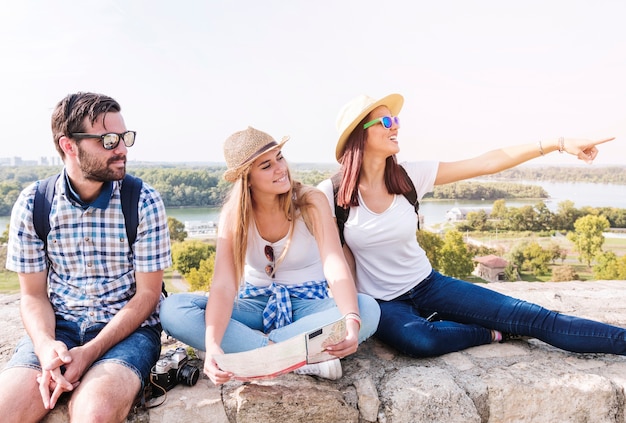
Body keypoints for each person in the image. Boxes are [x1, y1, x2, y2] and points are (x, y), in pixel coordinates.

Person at [317, 92, 626, 358]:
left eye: (396, 120)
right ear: (361, 135)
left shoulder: (410, 176)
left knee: (536, 318)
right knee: (421, 339)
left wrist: (558, 143)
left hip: (429, 286)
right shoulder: (330, 194)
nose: (395, 126)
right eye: (386, 122)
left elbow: (487, 162)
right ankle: (491, 333)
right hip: (382, 303)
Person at [159, 126, 380, 385]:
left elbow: (334, 264)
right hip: (254, 303)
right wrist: (213, 342)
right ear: (247, 179)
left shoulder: (311, 201)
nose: (280, 168)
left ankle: (255, 352)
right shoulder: (234, 214)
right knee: (173, 309)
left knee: (367, 309)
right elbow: (223, 285)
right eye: (266, 165)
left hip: (308, 304)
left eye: (280, 157)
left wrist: (351, 320)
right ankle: (294, 356)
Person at [0, 92, 171, 422]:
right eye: (108, 140)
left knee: (95, 413)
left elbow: (148, 294)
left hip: (127, 332)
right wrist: (46, 346)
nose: (121, 148)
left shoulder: (142, 200)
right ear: (69, 145)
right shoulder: (34, 203)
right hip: (59, 328)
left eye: (124, 138)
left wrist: (90, 352)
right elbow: (33, 296)